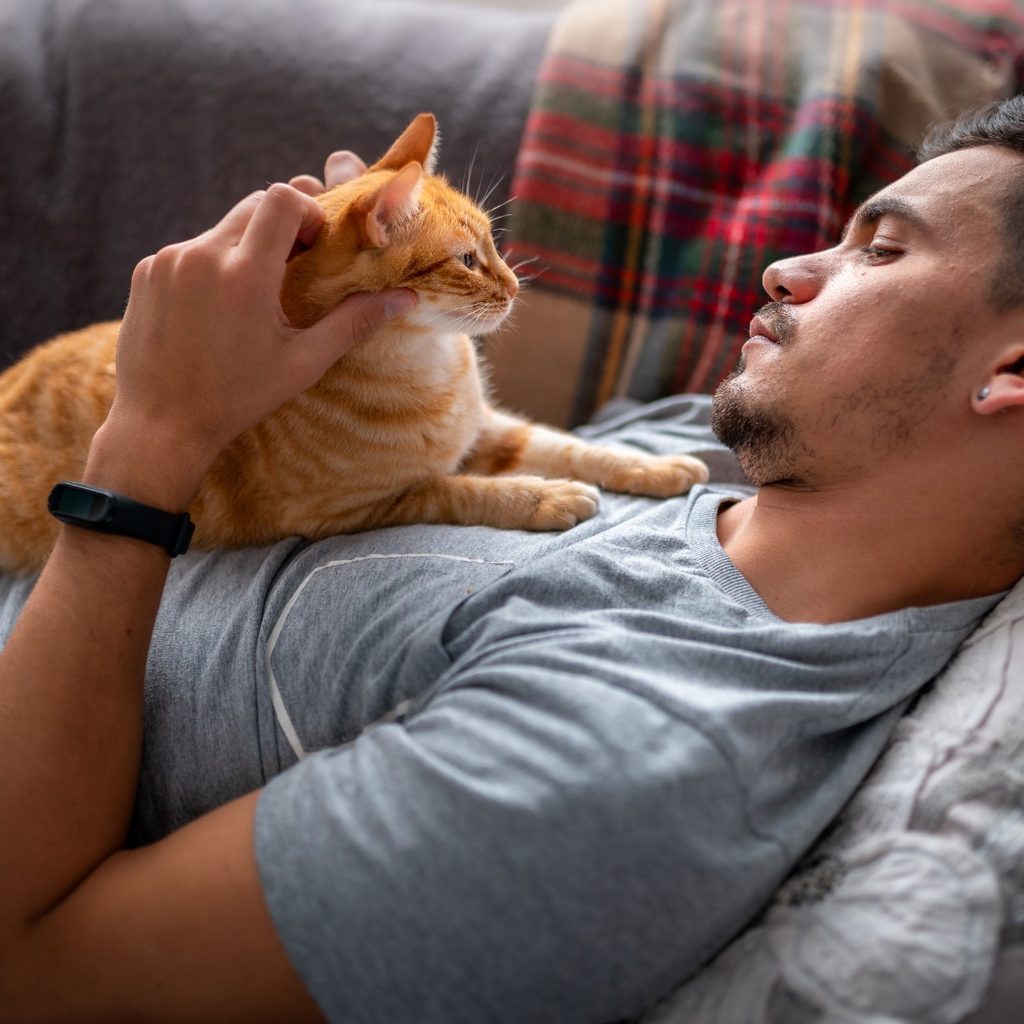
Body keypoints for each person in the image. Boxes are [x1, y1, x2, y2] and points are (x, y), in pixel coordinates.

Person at [1, 95, 1023, 1024]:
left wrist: (149, 441)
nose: (786, 267)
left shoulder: (617, 762)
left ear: (1009, 372)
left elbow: (33, 968)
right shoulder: (720, 454)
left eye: (881, 250)